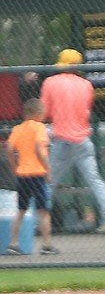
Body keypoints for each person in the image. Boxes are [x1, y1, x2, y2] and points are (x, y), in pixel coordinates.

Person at [40, 48, 105, 233]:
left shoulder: (51, 82)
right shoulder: (86, 85)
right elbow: (86, 111)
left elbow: (45, 112)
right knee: (95, 180)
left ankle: (38, 221)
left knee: (49, 182)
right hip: (83, 139)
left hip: (61, 138)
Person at [4, 98, 57, 255]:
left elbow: (9, 148)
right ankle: (46, 245)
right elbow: (39, 149)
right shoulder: (39, 128)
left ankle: (13, 243)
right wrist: (48, 169)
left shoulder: (17, 129)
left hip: (22, 174)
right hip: (37, 174)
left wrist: (15, 167)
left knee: (21, 210)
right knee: (43, 211)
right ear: (37, 113)